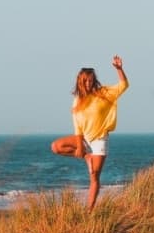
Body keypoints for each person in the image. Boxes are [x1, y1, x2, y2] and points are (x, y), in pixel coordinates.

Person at [50, 55, 129, 211]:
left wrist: (119, 69)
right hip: (84, 138)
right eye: (85, 80)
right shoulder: (77, 100)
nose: (88, 83)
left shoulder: (104, 93)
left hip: (100, 140)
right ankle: (87, 157)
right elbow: (77, 127)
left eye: (91, 80)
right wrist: (81, 148)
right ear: (80, 81)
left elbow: (124, 85)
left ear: (94, 80)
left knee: (94, 176)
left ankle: (89, 211)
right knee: (56, 147)